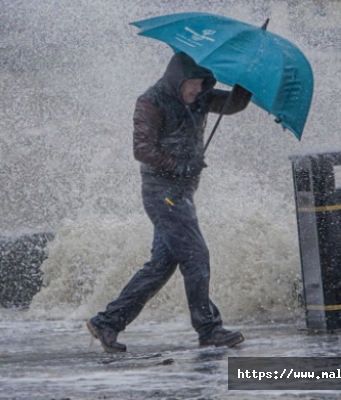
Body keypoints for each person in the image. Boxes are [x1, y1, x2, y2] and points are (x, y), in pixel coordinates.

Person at [87, 52, 252, 353]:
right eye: (192, 84)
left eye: (203, 84)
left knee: (161, 265)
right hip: (161, 193)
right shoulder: (151, 101)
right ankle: (209, 329)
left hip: (183, 194)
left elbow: (234, 104)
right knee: (196, 255)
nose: (197, 90)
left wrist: (246, 79)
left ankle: (108, 322)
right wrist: (179, 166)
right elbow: (142, 149)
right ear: (178, 79)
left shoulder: (201, 97)